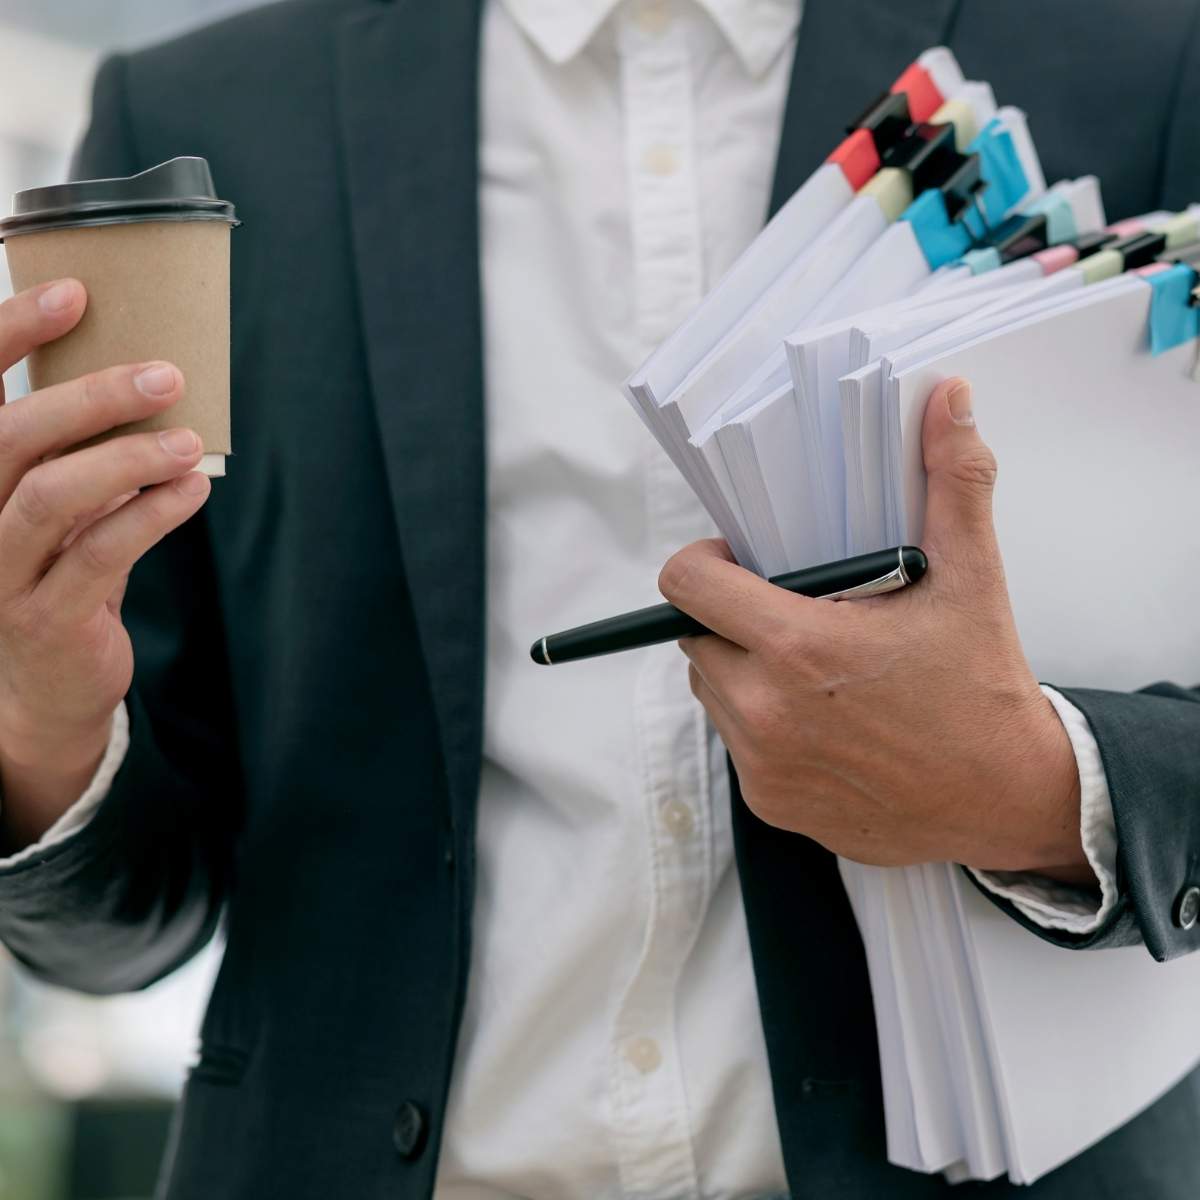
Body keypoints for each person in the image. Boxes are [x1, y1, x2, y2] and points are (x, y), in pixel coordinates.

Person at [1, 1, 1198, 1196]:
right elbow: (122, 930)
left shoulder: (1152, 59)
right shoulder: (199, 116)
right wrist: (43, 731)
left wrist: (1040, 790)